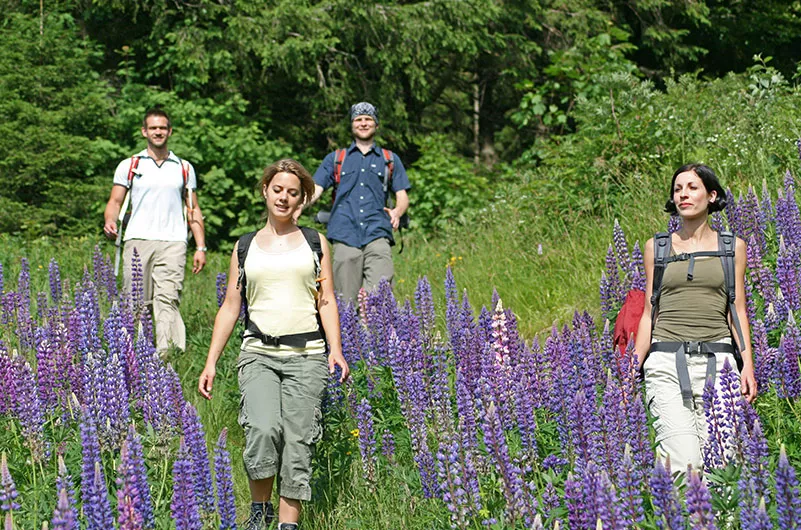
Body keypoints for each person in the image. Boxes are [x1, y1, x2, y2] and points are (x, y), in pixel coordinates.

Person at [198, 159, 349, 530]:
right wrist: (211, 361)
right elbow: (231, 306)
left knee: (299, 440)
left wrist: (336, 349)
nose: (284, 197)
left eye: (293, 192)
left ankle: (287, 525)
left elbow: (325, 299)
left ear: (302, 199)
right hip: (258, 354)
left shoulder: (315, 242)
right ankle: (260, 512)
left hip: (308, 355)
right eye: (277, 189)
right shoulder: (245, 246)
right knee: (263, 430)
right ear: (265, 190)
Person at [634, 163, 757, 471]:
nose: (683, 195)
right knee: (684, 462)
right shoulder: (657, 248)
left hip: (721, 362)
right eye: (678, 189)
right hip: (665, 361)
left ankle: (725, 522)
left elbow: (737, 310)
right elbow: (650, 312)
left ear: (711, 196)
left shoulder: (733, 247)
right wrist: (629, 371)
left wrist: (748, 366)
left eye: (692, 188)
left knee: (725, 466)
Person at [103, 108, 206, 353]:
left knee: (167, 299)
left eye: (162, 128)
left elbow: (193, 208)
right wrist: (110, 221)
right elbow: (115, 201)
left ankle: (167, 356)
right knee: (135, 301)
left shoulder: (183, 167)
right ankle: (134, 354)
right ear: (144, 132)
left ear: (169, 131)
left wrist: (200, 246)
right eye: (153, 128)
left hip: (174, 242)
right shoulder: (131, 165)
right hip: (137, 240)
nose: (158, 132)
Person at [305, 101, 410, 304]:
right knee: (345, 303)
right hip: (344, 234)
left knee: (380, 301)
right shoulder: (336, 158)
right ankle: (347, 336)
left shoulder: (390, 159)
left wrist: (397, 211)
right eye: (358, 119)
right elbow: (315, 190)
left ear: (376, 125)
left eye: (368, 119)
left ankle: (375, 335)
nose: (363, 123)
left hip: (378, 233)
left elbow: (402, 195)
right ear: (352, 125)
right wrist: (296, 207)